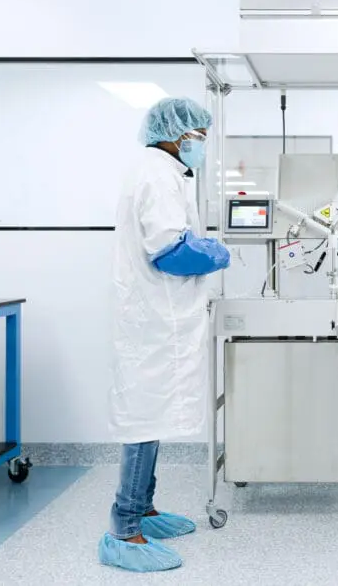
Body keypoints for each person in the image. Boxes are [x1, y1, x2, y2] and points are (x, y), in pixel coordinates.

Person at [98, 97, 231, 573]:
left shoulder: (164, 172)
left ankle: (145, 511)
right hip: (152, 322)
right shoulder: (155, 174)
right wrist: (215, 254)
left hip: (158, 321)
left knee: (150, 420)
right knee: (143, 423)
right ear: (178, 136)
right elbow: (170, 251)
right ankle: (124, 530)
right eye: (198, 136)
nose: (201, 144)